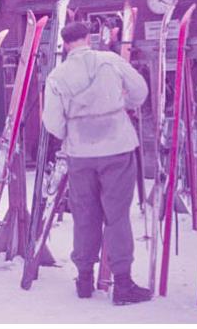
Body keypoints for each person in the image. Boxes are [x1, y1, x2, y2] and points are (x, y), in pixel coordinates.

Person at [41, 20, 152, 305]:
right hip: (117, 145)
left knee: (84, 215)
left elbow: (52, 121)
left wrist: (71, 133)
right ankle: (124, 284)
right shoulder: (110, 60)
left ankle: (85, 280)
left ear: (65, 44)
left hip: (80, 153)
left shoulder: (57, 75)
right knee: (117, 216)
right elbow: (140, 90)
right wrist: (123, 106)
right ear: (88, 38)